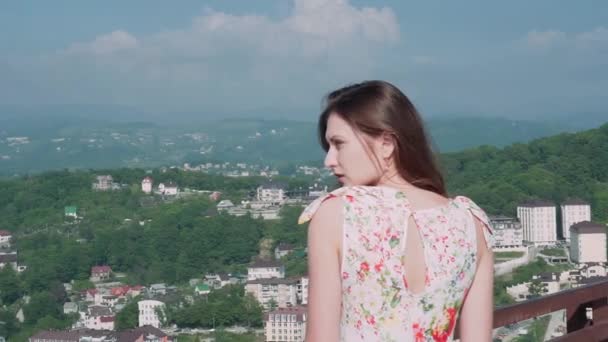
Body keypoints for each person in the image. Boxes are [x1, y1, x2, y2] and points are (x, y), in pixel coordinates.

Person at [298, 80, 494, 341]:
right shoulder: (471, 222)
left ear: (386, 143)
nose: (329, 160)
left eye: (339, 144)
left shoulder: (335, 215)